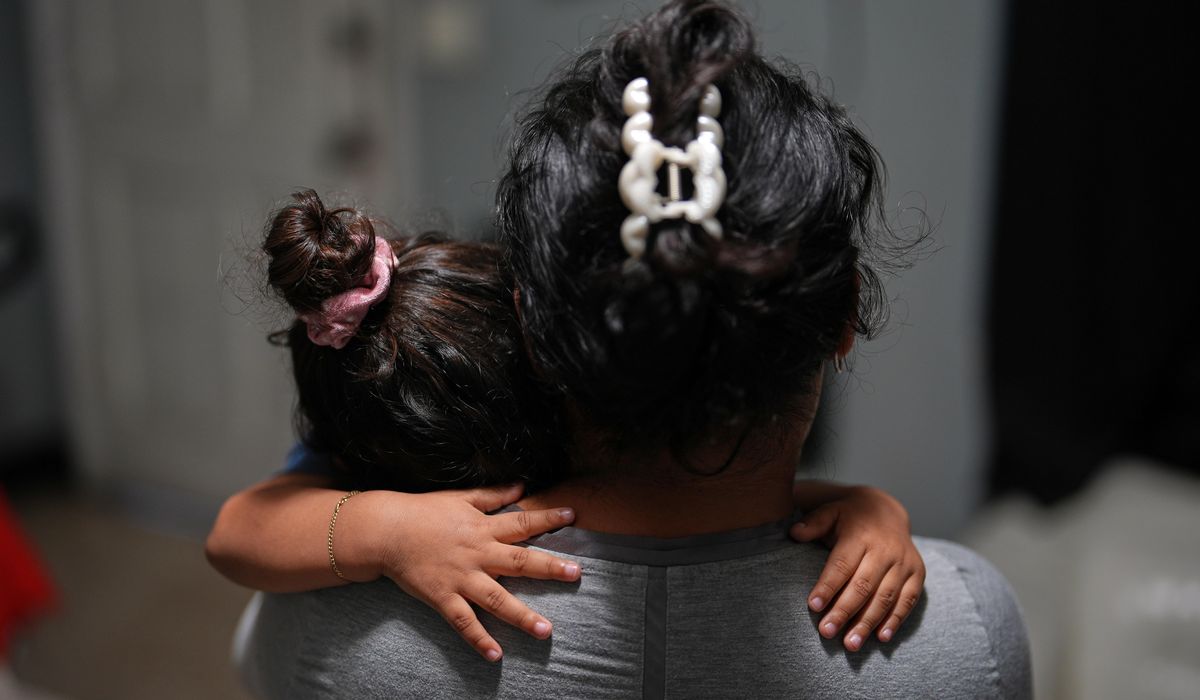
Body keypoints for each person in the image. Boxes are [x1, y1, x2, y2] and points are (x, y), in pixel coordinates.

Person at [232, 1, 1031, 696]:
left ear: (532, 326)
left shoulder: (323, 627)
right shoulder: (972, 634)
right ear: (844, 311)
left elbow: (244, 537)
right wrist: (867, 502)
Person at [208, 190, 923, 659]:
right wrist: (390, 531)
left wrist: (861, 505)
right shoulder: (361, 449)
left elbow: (680, 493)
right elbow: (234, 532)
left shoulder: (537, 452)